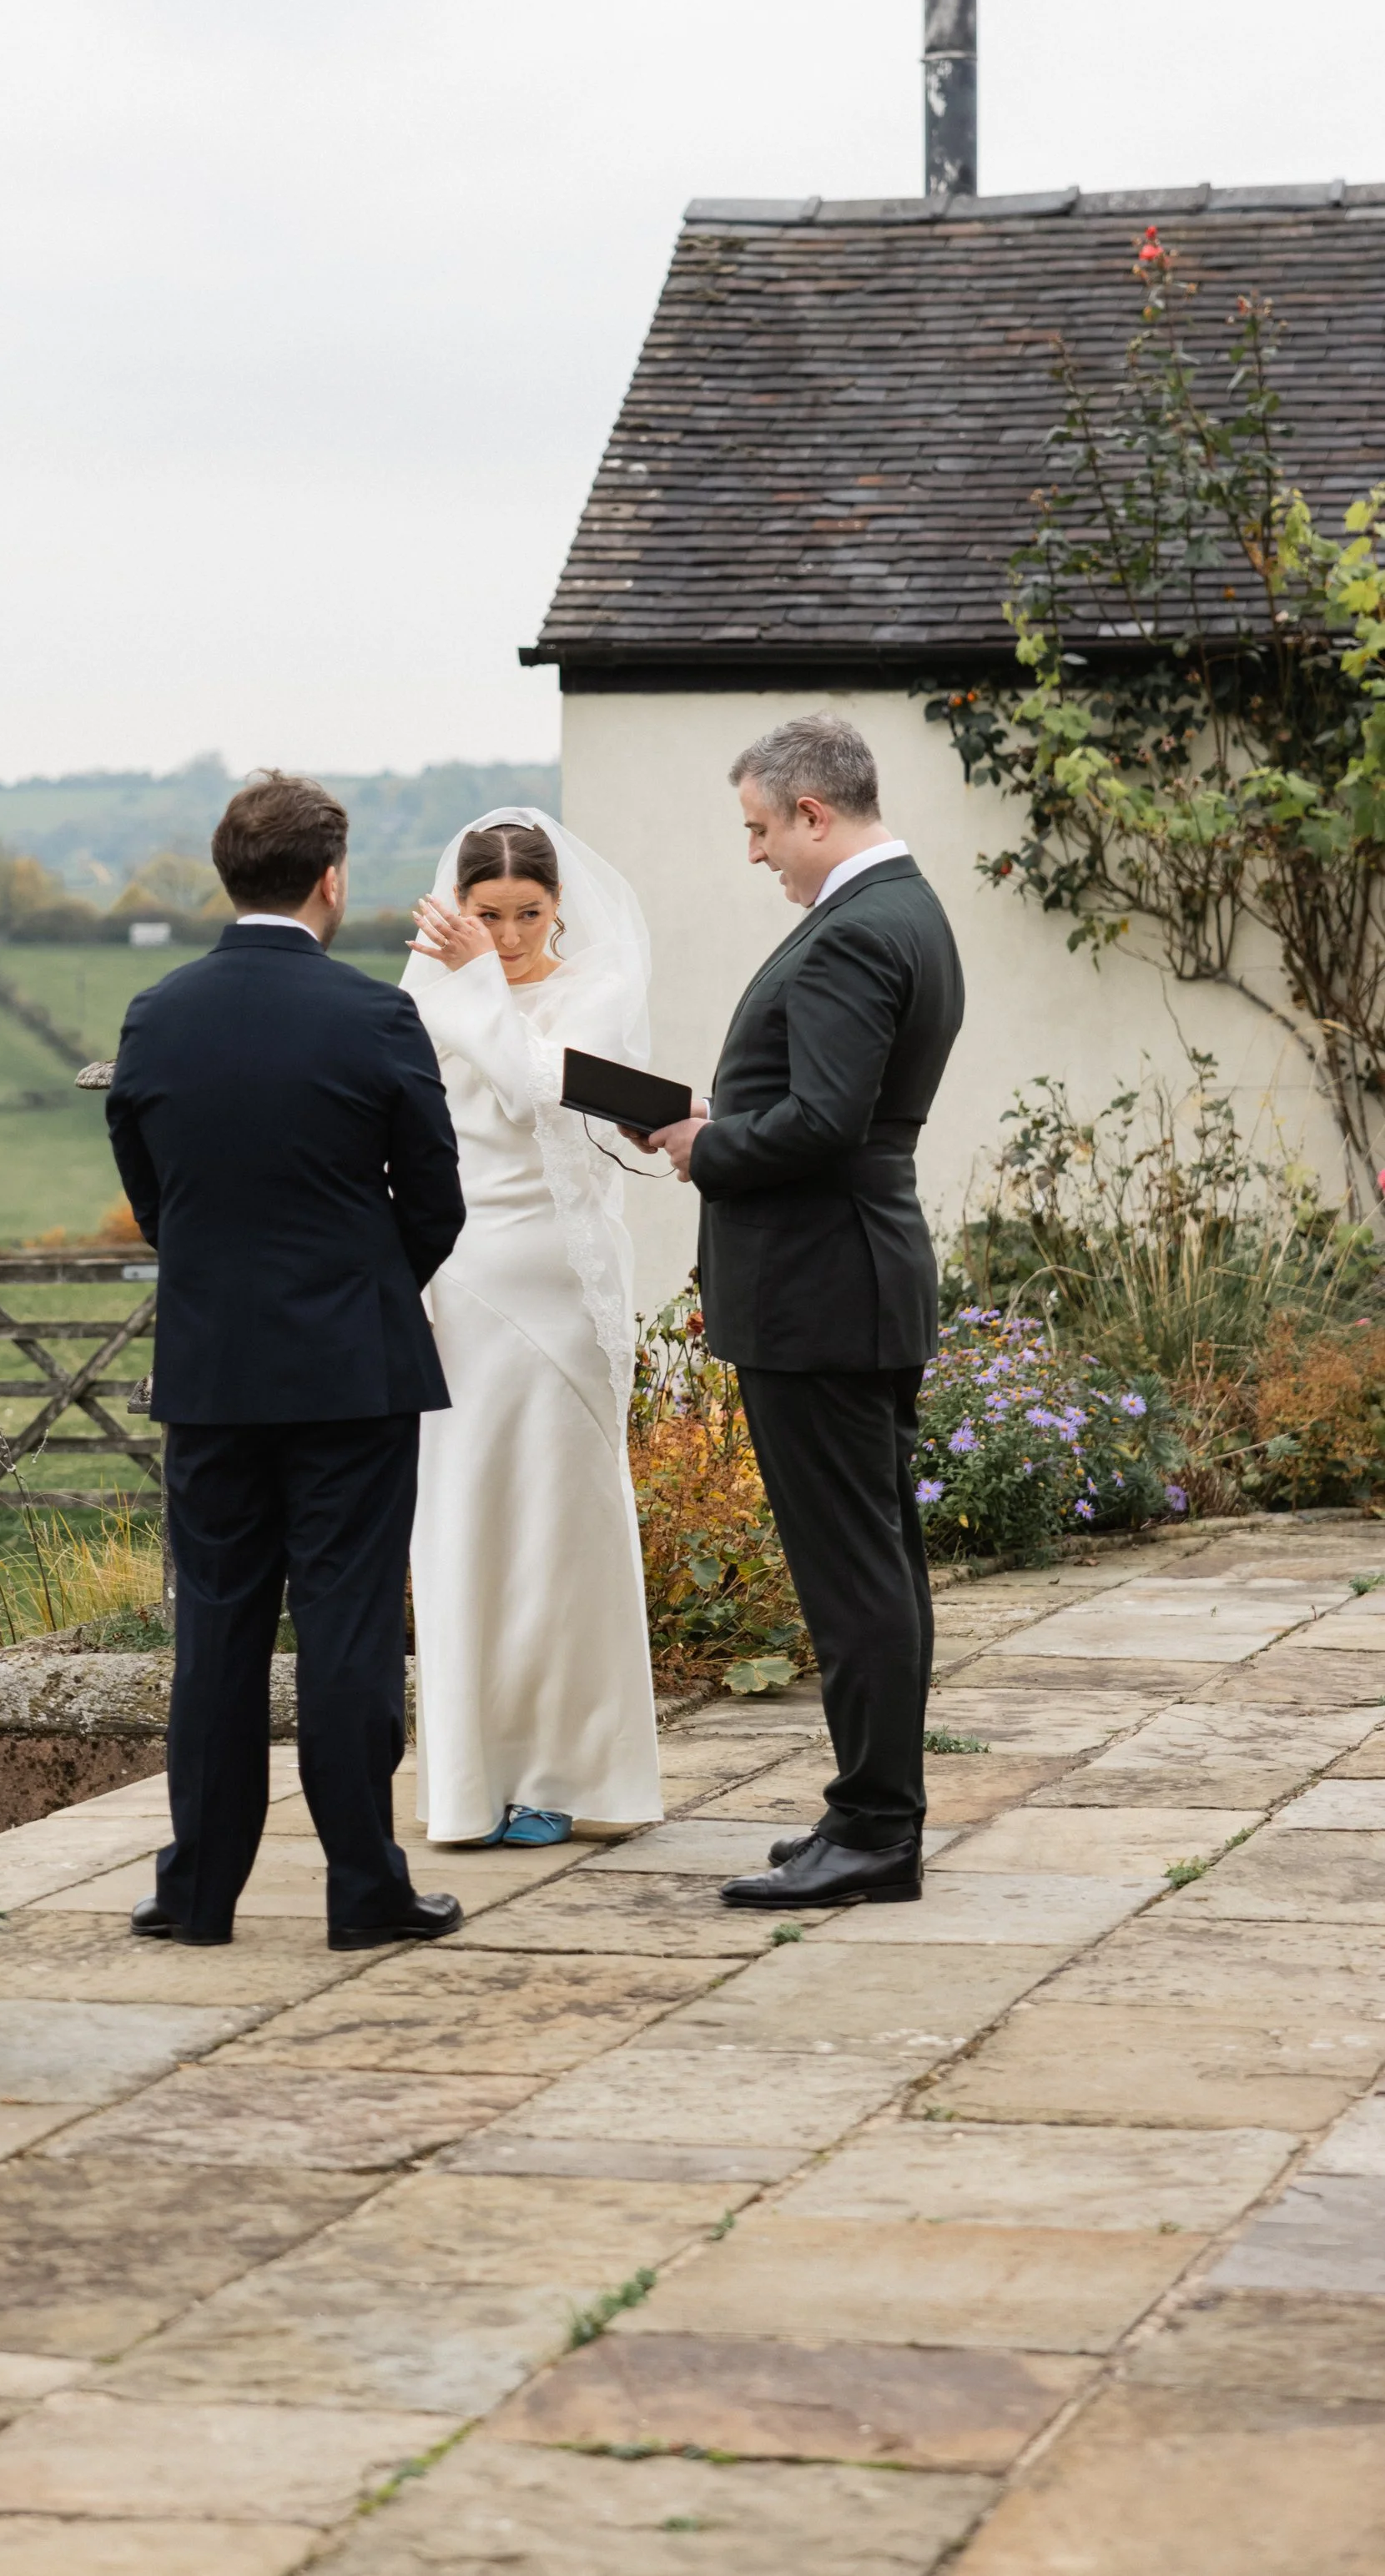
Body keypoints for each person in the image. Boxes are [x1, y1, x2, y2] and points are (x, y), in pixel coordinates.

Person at [105, 770, 468, 1949]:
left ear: (229, 876)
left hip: (213, 1369)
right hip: (353, 1371)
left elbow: (155, 1198)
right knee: (346, 1629)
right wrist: (365, 1288)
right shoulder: (372, 1016)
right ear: (331, 879)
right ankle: (363, 1889)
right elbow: (437, 1199)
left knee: (216, 1631)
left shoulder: (157, 1015)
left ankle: (197, 1894)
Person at [645, 714, 964, 1912]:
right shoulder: (905, 908)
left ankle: (877, 1831)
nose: (755, 852)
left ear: (813, 814)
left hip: (822, 1288)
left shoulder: (854, 931)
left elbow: (826, 1122)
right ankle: (870, 1808)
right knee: (878, 1561)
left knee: (854, 1574)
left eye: (760, 828)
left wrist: (707, 1143)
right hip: (855, 1275)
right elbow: (837, 1106)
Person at [402, 812, 664, 1848]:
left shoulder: (596, 985)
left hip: (559, 1280)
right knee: (463, 1518)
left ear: (558, 906)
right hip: (459, 1279)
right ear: (458, 907)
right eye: (487, 915)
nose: (508, 937)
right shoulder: (427, 990)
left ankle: (566, 1770)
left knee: (562, 1525)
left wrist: (471, 982)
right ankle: (471, 1780)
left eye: (528, 913)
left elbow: (529, 1086)